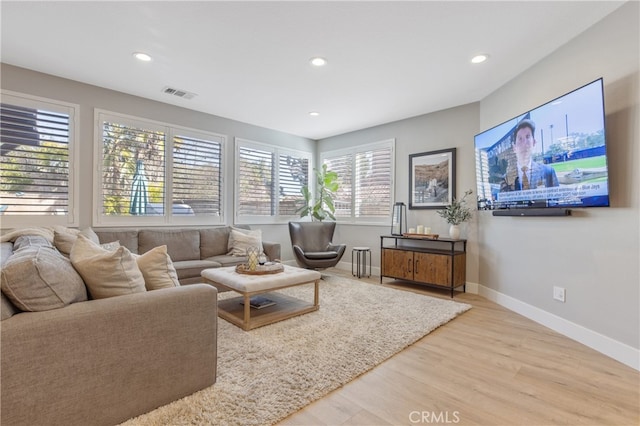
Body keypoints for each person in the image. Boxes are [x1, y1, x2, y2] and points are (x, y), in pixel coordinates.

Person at [500, 118, 559, 192]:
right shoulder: (506, 178)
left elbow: (557, 201)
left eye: (527, 137)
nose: (524, 143)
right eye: (520, 139)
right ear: (514, 147)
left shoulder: (548, 172)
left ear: (534, 142)